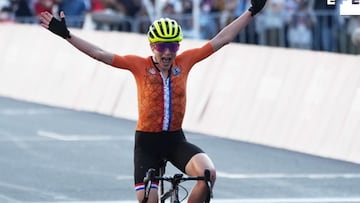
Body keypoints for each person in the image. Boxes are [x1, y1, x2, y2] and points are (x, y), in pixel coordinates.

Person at [38, 0, 267, 202]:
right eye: (162, 47)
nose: (167, 53)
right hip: (147, 144)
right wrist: (67, 35)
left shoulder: (185, 62)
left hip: (175, 140)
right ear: (152, 46)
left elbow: (222, 39)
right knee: (150, 200)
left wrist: (251, 12)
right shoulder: (139, 65)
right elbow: (99, 53)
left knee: (208, 175)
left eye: (173, 46)